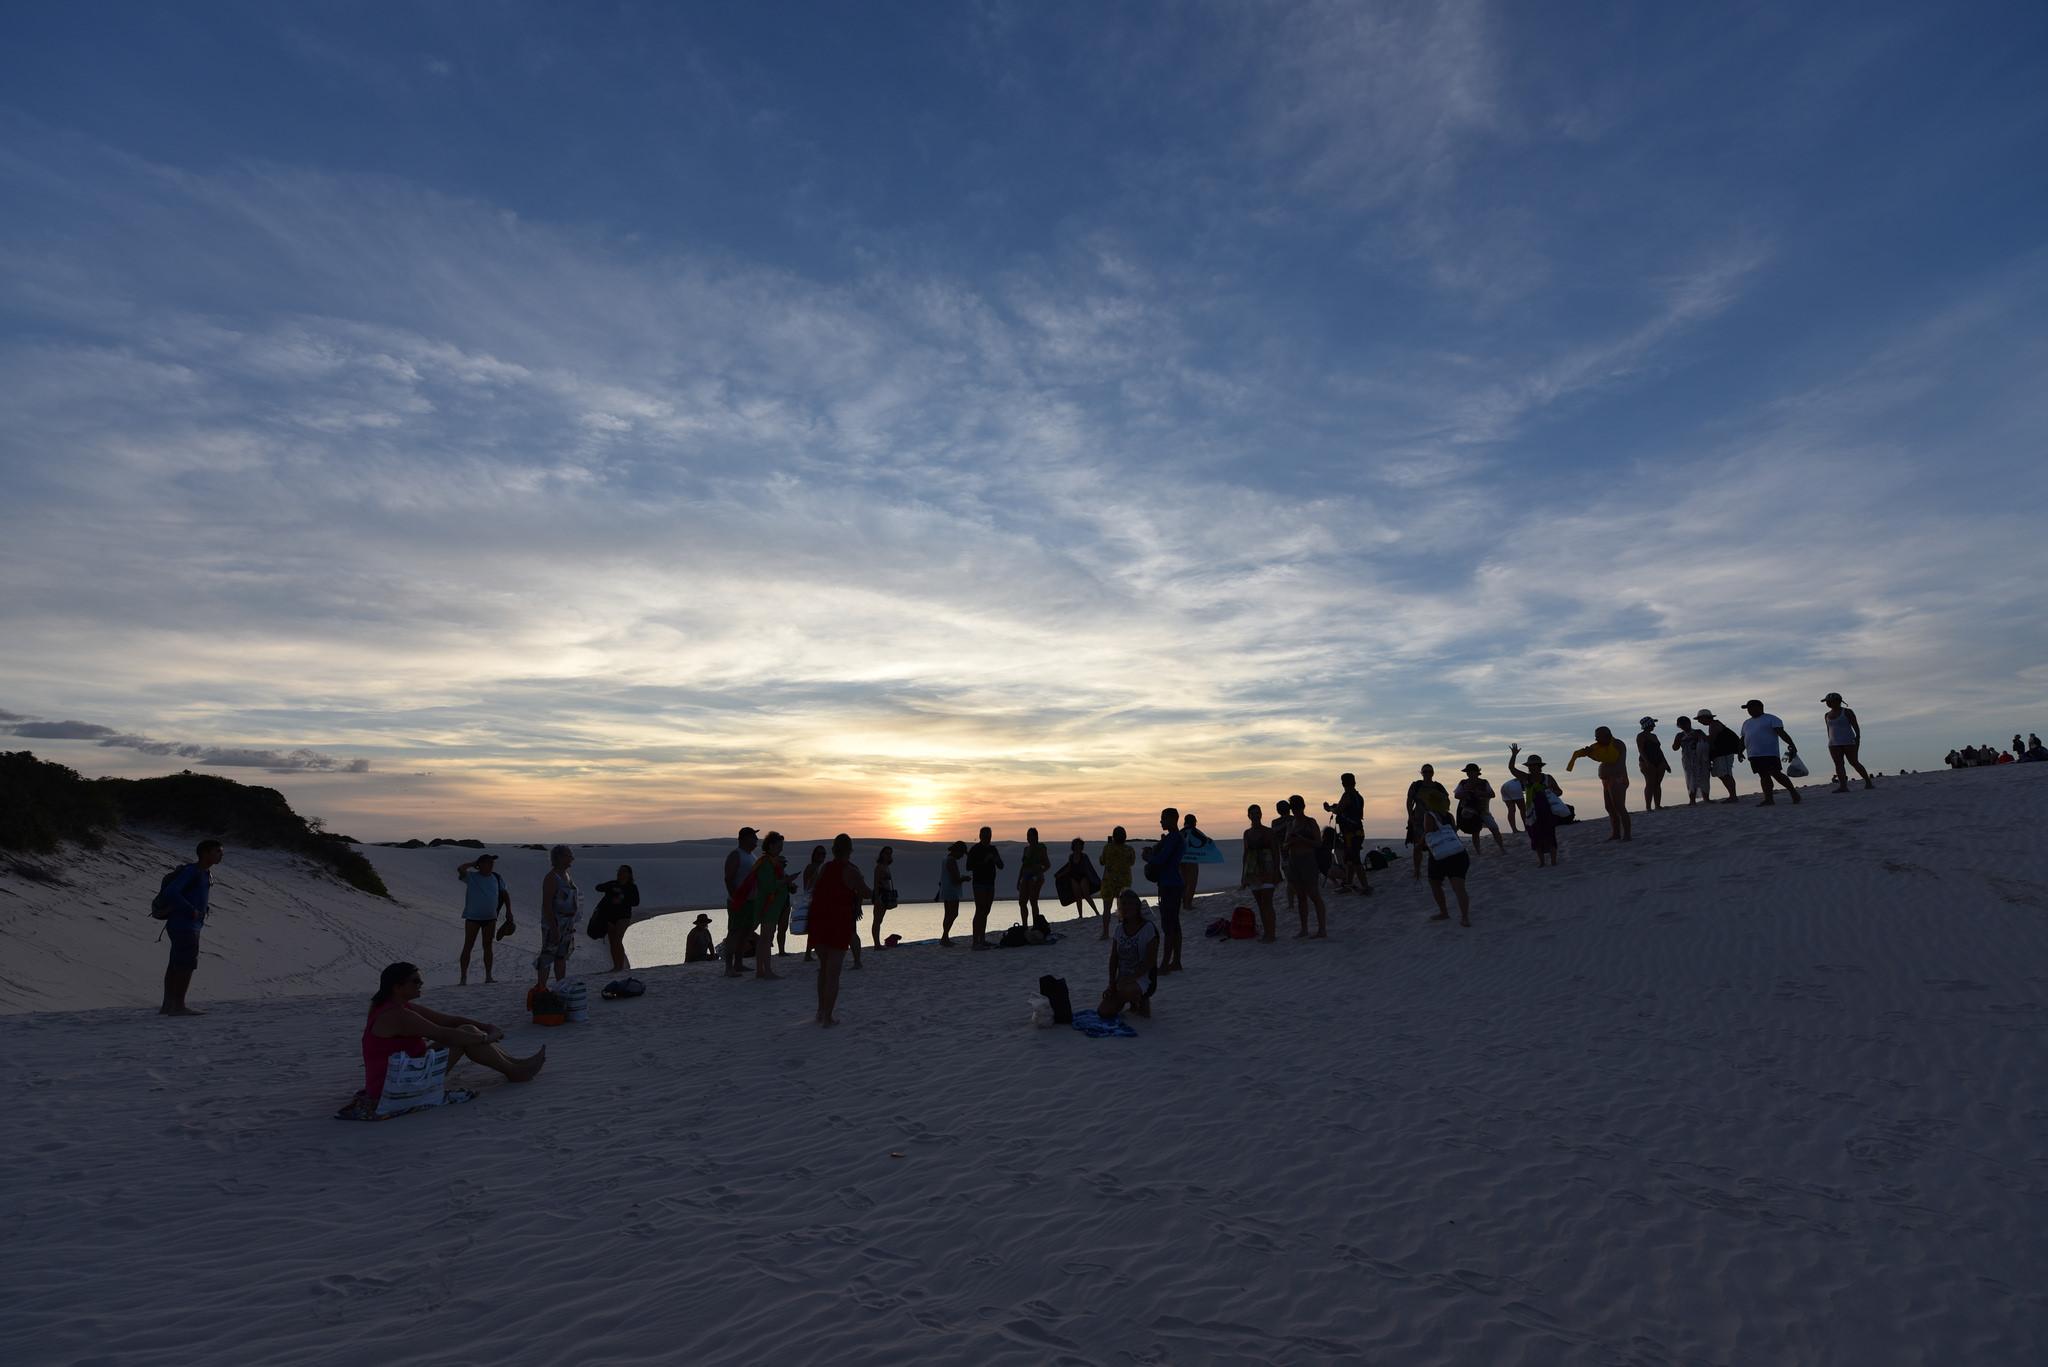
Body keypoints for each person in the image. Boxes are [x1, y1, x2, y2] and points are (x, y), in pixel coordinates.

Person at [362, 963, 543, 1103]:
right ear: (397, 987)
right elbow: (443, 1034)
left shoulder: (397, 1007)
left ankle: (515, 1065)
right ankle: (515, 1071)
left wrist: (487, 1027)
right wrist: (485, 1037)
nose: (421, 984)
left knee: (466, 1032)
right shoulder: (396, 1015)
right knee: (464, 1036)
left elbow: (449, 1020)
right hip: (397, 1085)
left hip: (403, 1074)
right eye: (415, 981)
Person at [808, 834, 872, 1026]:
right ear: (850, 850)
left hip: (819, 921)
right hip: (837, 923)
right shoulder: (851, 870)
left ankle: (820, 1011)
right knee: (833, 972)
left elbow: (814, 888)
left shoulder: (824, 868)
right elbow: (866, 893)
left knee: (823, 969)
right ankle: (827, 1016)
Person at [157, 838, 223, 1016]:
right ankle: (178, 1005)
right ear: (205, 852)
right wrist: (191, 910)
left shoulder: (205, 873)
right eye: (217, 851)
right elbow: (172, 892)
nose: (221, 854)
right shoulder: (192, 871)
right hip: (185, 925)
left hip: (186, 925)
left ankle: (168, 1006)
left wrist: (201, 908)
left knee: (176, 964)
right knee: (186, 964)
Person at [727, 832, 790, 979]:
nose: (781, 849)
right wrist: (784, 882)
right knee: (763, 937)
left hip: (763, 904)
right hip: (765, 905)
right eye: (779, 846)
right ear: (772, 845)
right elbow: (768, 886)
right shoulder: (765, 862)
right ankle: (764, 970)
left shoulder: (765, 860)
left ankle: (759, 970)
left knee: (760, 937)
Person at [1097, 890, 1159, 1021]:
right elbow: (1114, 958)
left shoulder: (1148, 928)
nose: (1126, 908)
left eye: (1130, 904)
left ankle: (1142, 1000)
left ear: (1137, 906)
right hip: (1122, 979)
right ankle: (1130, 1001)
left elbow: (1151, 960)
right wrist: (1111, 983)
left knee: (1126, 991)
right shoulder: (1119, 929)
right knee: (1103, 1011)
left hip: (1142, 978)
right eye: (1123, 904)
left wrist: (1133, 977)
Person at [454, 852, 510, 986]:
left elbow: (505, 894)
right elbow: (460, 869)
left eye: (492, 863)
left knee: (488, 946)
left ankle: (489, 976)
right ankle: (463, 978)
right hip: (473, 917)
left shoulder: (496, 877)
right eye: (488, 863)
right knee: (468, 945)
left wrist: (509, 911)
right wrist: (474, 863)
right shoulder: (471, 877)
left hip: (490, 917)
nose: (491, 865)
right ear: (481, 865)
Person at [1567, 726, 1633, 842]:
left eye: (1598, 737)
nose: (1596, 740)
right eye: (1596, 737)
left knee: (1619, 807)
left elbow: (1611, 759)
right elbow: (1599, 757)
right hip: (1606, 780)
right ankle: (1616, 833)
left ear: (1607, 735)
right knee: (1609, 807)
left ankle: (1627, 834)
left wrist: (1591, 753)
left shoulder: (1617, 744)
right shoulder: (1601, 747)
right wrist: (1589, 753)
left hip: (1618, 778)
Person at [1146, 808, 1188, 972]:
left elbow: (1161, 860)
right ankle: (1175, 961)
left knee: (1169, 924)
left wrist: (1148, 857)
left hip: (1170, 884)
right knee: (1174, 924)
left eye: (1163, 818)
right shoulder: (1175, 837)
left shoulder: (1174, 838)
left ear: (1172, 819)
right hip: (1172, 883)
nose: (1161, 821)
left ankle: (1165, 964)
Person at [1507, 745, 1563, 867]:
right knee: (1535, 836)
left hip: (1547, 810)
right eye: (1530, 766)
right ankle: (1542, 862)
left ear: (1540, 766)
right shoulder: (1526, 778)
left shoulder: (1548, 778)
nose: (1532, 768)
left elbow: (1559, 791)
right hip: (1532, 812)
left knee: (1550, 835)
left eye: (1534, 765)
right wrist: (1514, 755)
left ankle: (1553, 861)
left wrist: (1548, 792)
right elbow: (1511, 768)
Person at [1739, 699, 1803, 806]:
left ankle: (1793, 792)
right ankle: (1769, 799)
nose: (1749, 710)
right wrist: (1740, 751)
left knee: (1776, 774)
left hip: (1769, 752)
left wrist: (1791, 744)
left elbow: (1781, 733)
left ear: (1759, 707)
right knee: (1763, 776)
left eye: (1751, 708)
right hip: (1754, 754)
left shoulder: (1771, 719)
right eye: (1748, 709)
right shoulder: (1746, 723)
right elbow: (1743, 738)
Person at [534, 844, 579, 992]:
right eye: (568, 855)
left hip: (567, 924)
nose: (571, 858)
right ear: (559, 857)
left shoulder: (567, 875)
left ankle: (560, 987)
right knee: (547, 957)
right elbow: (547, 905)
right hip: (554, 924)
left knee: (561, 957)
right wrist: (553, 928)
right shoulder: (551, 878)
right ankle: (541, 988)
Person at [1281, 796, 1328, 938]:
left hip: (1308, 860)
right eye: (1293, 807)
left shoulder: (1310, 822)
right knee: (1300, 896)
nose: (1296, 810)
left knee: (1314, 894)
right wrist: (1289, 843)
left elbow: (1318, 843)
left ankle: (1322, 929)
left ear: (1303, 806)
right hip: (1294, 861)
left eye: (1297, 807)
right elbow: (1284, 844)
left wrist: (1302, 839)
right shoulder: (1291, 824)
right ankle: (1304, 929)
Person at [1419, 808, 1472, 928]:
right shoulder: (1448, 815)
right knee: (1459, 888)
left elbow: (1429, 831)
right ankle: (1465, 917)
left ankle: (1444, 912)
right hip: (1458, 853)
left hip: (1441, 855)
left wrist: (1419, 844)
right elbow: (1453, 830)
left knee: (1435, 883)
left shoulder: (1429, 814)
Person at [1239, 803, 1280, 942]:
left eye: (1258, 813)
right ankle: (1267, 933)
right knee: (1261, 904)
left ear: (1261, 814)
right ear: (1249, 816)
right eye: (1253, 813)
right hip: (1253, 871)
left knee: (1267, 903)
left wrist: (1276, 871)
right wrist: (1243, 876)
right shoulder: (1247, 833)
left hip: (1268, 870)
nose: (1256, 815)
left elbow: (1276, 852)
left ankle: (1271, 934)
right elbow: (1245, 854)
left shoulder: (1269, 832)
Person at [1322, 773, 1369, 892]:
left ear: (1343, 783)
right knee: (1349, 859)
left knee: (1355, 860)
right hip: (1356, 832)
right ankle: (1348, 884)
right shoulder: (1358, 796)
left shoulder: (1348, 795)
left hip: (1351, 834)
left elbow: (1338, 810)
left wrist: (1329, 809)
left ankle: (1365, 886)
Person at [590, 865, 640, 974]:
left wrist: (623, 898)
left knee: (617, 939)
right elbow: (598, 887)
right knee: (612, 941)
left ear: (629, 874)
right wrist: (611, 888)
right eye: (619, 871)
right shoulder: (613, 884)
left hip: (624, 916)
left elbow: (636, 902)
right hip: (610, 916)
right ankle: (616, 966)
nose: (620, 874)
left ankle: (620, 967)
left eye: (623, 872)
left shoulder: (632, 887)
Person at [1405, 766, 1452, 880]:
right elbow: (1409, 800)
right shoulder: (1416, 785)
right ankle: (1417, 871)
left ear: (1433, 773)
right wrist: (1410, 816)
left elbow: (1446, 801)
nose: (1427, 773)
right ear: (1421, 773)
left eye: (1429, 771)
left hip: (1435, 820)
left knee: (1435, 845)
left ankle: (1436, 869)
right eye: (1425, 771)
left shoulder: (1438, 786)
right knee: (1418, 846)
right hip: (1419, 820)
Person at [1823, 693, 1876, 792]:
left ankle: (1868, 782)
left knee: (1854, 762)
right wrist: (1830, 740)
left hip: (1848, 741)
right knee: (1838, 764)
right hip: (1833, 743)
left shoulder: (1847, 712)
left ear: (1836, 701)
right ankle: (1843, 786)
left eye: (1829, 701)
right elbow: (1828, 729)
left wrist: (1858, 737)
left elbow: (1855, 725)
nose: (1827, 703)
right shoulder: (1827, 715)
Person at [1452, 764, 1508, 854]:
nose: (1469, 774)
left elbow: (1492, 794)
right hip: (1469, 810)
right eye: (1468, 772)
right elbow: (1456, 795)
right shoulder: (1463, 783)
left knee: (1494, 828)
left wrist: (1480, 793)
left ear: (1477, 773)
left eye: (1470, 771)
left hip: (1483, 810)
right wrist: (1466, 793)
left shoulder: (1484, 782)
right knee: (1475, 831)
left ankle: (1502, 848)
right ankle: (1478, 852)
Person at [965, 827, 1004, 950]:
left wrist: (996, 859)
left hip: (990, 883)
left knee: (986, 910)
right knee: (980, 910)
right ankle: (975, 941)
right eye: (985, 836)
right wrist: (983, 861)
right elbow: (968, 866)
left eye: (989, 836)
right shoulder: (975, 849)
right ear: (980, 836)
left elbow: (1001, 866)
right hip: (979, 883)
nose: (988, 838)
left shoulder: (993, 849)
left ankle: (982, 939)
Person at [1696, 710, 1745, 803]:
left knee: (1725, 775)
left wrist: (1701, 735)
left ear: (1706, 718)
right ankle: (1733, 795)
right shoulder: (1715, 724)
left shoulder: (1714, 725)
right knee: (1724, 774)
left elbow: (1711, 740)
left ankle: (1733, 796)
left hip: (1723, 753)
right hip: (1723, 753)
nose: (1699, 721)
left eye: (1700, 719)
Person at [1097, 828, 1134, 941]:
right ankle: (1123, 932)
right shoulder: (1129, 849)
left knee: (1106, 909)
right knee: (1123, 908)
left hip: (1109, 881)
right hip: (1124, 881)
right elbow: (1132, 862)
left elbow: (1101, 861)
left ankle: (1105, 933)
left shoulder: (1108, 848)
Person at [1670, 716, 1712, 805]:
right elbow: (1675, 748)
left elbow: (1706, 742)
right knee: (1690, 779)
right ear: (1679, 725)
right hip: (1688, 759)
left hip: (1700, 758)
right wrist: (1678, 741)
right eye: (1682, 724)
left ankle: (1706, 798)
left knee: (1704, 777)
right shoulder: (1680, 735)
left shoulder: (1698, 732)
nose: (1685, 726)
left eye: (1686, 723)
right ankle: (1692, 800)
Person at [798, 845, 828, 962]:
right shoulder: (811, 867)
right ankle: (810, 953)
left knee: (814, 929)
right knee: (815, 928)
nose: (822, 856)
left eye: (824, 854)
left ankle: (808, 954)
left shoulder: (820, 867)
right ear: (814, 855)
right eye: (820, 853)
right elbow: (808, 886)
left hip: (820, 900)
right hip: (813, 900)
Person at [1017, 828, 1049, 931]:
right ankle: (1025, 926)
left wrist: (1039, 873)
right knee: (1022, 902)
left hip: (1035, 877)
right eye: (1028, 836)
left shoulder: (1041, 848)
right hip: (1025, 876)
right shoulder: (1026, 849)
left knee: (1033, 901)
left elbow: (1047, 864)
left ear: (1036, 837)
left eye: (1030, 835)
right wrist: (1019, 879)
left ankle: (1036, 925)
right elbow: (1023, 866)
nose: (1028, 838)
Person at [1060, 837, 1101, 919]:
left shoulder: (1084, 856)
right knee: (1077, 897)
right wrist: (1060, 875)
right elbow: (1069, 868)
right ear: (1073, 847)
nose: (1077, 847)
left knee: (1086, 895)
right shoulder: (1071, 857)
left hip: (1083, 877)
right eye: (1076, 846)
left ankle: (1096, 912)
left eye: (1079, 846)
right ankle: (1080, 915)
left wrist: (1094, 880)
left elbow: (1089, 869)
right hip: (1074, 877)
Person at [1635, 718, 1670, 811]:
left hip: (1659, 761)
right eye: (1652, 724)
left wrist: (1666, 763)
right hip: (1647, 762)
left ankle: (1657, 805)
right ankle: (1648, 807)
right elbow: (1641, 750)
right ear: (1648, 725)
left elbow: (1659, 750)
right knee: (1650, 783)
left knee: (1657, 784)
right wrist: (1647, 762)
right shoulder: (1641, 736)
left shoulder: (1654, 736)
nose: (1654, 726)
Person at [1179, 812, 1212, 907]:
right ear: (1194, 822)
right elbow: (1204, 840)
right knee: (1192, 882)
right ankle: (1188, 903)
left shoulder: (1181, 832)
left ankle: (1184, 901)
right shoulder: (1194, 831)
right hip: (1192, 860)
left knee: (1184, 882)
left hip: (1181, 860)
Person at [937, 840, 967, 946]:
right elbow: (955, 879)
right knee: (953, 914)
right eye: (962, 853)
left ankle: (945, 937)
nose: (962, 856)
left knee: (948, 914)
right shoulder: (951, 861)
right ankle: (945, 937)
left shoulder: (945, 859)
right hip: (952, 891)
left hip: (946, 890)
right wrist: (964, 878)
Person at [870, 845, 897, 948]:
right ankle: (876, 944)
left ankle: (877, 943)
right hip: (880, 895)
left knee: (879, 920)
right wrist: (877, 898)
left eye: (890, 853)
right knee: (877, 920)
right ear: (882, 854)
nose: (888, 855)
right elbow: (876, 883)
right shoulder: (879, 867)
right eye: (886, 853)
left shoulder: (886, 867)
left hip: (886, 894)